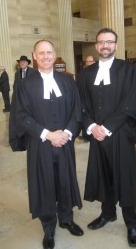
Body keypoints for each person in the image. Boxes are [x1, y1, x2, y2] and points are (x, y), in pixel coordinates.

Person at [11, 40, 84, 249]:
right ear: (34, 56)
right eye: (41, 53)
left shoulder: (68, 81)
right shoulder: (24, 85)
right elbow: (21, 116)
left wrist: (67, 133)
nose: (45, 56)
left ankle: (67, 219)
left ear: (54, 54)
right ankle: (49, 227)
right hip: (40, 143)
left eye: (49, 52)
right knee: (44, 184)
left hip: (65, 142)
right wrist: (48, 135)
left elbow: (76, 111)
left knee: (65, 180)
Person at [77, 28, 136, 248]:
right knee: (103, 175)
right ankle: (108, 214)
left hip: (120, 134)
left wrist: (106, 127)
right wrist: (91, 127)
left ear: (116, 45)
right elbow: (80, 105)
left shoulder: (128, 70)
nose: (105, 46)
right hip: (97, 135)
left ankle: (131, 222)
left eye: (109, 42)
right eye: (101, 42)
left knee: (125, 178)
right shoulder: (86, 74)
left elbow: (131, 103)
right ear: (96, 46)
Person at [78, 55, 95, 142]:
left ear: (94, 62)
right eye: (87, 61)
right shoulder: (82, 72)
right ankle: (85, 135)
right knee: (84, 116)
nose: (89, 63)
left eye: (90, 61)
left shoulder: (96, 72)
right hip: (83, 98)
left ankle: (91, 135)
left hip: (93, 101)